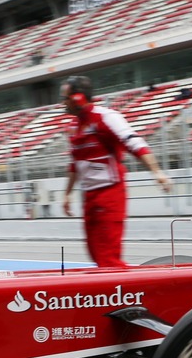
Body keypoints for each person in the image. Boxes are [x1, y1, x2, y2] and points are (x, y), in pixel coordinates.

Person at [59, 75, 172, 267]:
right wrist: (67, 193)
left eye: (66, 97)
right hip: (89, 197)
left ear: (78, 98)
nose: (63, 102)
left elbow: (134, 142)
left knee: (107, 258)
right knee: (95, 254)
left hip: (110, 194)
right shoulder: (73, 127)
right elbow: (74, 163)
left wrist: (157, 172)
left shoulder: (106, 117)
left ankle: (130, 293)